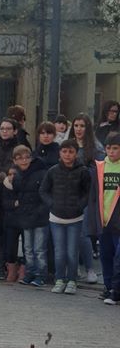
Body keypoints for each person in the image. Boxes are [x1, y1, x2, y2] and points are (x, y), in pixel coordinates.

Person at [40, 139, 91, 296]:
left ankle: (72, 280)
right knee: (59, 251)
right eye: (64, 151)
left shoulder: (83, 171)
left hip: (75, 219)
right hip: (56, 218)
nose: (67, 155)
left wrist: (79, 206)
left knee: (71, 252)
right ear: (60, 153)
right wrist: (51, 204)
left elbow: (87, 192)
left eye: (71, 152)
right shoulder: (53, 171)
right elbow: (43, 190)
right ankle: (59, 279)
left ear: (76, 154)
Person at [69, 113, 104, 284]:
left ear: (87, 128)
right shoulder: (68, 145)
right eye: (76, 125)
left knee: (83, 233)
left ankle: (90, 269)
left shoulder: (96, 147)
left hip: (86, 195)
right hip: (67, 195)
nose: (78, 129)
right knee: (71, 233)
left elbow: (99, 171)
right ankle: (73, 267)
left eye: (82, 126)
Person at [9, 145, 49, 287]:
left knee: (39, 248)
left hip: (39, 217)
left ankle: (41, 274)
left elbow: (45, 195)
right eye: (20, 158)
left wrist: (40, 211)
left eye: (27, 157)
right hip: (25, 216)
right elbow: (15, 194)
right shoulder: (17, 175)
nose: (24, 161)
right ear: (15, 161)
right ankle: (30, 272)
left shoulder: (41, 172)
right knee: (27, 248)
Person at [87, 132, 120, 304]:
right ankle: (108, 288)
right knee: (106, 256)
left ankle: (116, 290)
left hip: (118, 221)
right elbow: (94, 195)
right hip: (104, 219)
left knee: (118, 258)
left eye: (115, 148)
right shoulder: (99, 167)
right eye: (108, 148)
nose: (111, 152)